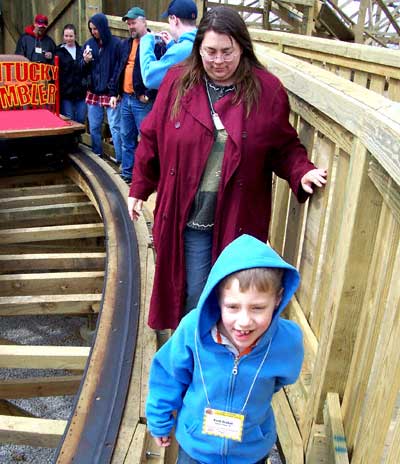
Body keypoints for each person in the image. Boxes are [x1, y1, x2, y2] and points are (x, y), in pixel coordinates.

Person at [128, 6, 327, 330]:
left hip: (238, 219)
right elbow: (151, 135)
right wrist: (139, 187)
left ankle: (225, 369)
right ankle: (195, 367)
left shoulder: (266, 90)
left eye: (227, 52)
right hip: (187, 218)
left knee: (232, 302)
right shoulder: (178, 81)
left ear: (242, 48)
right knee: (193, 300)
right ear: (199, 48)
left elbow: (284, 145)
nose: (218, 60)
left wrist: (301, 171)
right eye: (210, 51)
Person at [146, 234, 304, 463]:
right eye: (232, 307)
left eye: (258, 308)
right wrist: (159, 419)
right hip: (196, 448)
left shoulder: (287, 341)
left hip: (250, 452)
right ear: (217, 297)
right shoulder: (192, 330)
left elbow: (282, 379)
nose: (244, 321)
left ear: (278, 299)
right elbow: (169, 374)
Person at [116, 7, 166, 184]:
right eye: (129, 24)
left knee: (147, 141)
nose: (131, 27)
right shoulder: (126, 44)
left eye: (133, 23)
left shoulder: (156, 42)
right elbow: (120, 68)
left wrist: (148, 93)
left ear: (144, 22)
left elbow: (161, 72)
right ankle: (128, 175)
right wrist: (116, 92)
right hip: (126, 98)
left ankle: (148, 179)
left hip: (142, 101)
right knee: (126, 138)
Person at [81, 13, 122, 160]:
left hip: (110, 93)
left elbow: (119, 69)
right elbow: (81, 71)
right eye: (91, 29)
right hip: (93, 91)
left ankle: (120, 159)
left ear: (103, 27)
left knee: (115, 127)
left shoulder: (117, 44)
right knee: (94, 127)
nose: (93, 32)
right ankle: (97, 154)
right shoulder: (88, 44)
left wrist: (114, 90)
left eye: (96, 29)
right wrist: (85, 61)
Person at [139, 0, 197, 89]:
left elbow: (149, 77)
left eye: (169, 21)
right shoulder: (201, 42)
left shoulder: (181, 50)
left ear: (174, 19)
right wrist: (172, 45)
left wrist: (146, 39)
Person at [55, 24, 87, 124]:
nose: (68, 38)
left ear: (75, 36)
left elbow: (86, 69)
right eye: (66, 36)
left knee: (81, 119)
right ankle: (73, 140)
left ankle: (78, 139)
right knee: (69, 119)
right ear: (63, 36)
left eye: (71, 36)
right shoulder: (59, 52)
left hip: (81, 93)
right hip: (66, 94)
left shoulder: (82, 51)